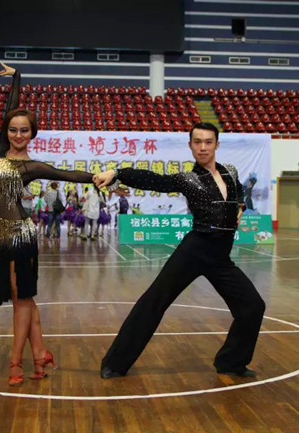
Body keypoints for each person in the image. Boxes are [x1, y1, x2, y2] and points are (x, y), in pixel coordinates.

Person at [94, 122, 265, 379]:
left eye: (208, 142)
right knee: (154, 301)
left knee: (253, 306)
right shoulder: (188, 178)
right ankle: (114, 363)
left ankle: (231, 362)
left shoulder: (230, 171)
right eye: (197, 142)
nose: (203, 147)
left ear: (217, 144)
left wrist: (239, 206)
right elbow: (153, 180)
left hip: (220, 257)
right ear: (190, 146)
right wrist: (117, 172)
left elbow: (239, 190)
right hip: (195, 250)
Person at [0, 63, 96, 386]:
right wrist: (16, 78)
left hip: (20, 236)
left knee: (21, 299)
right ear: (7, 131)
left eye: (24, 130)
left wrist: (98, 177)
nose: (18, 134)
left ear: (32, 134)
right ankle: (40, 354)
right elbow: (10, 110)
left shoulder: (32, 166)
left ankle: (15, 362)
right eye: (13, 130)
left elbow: (67, 175)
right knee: (21, 297)